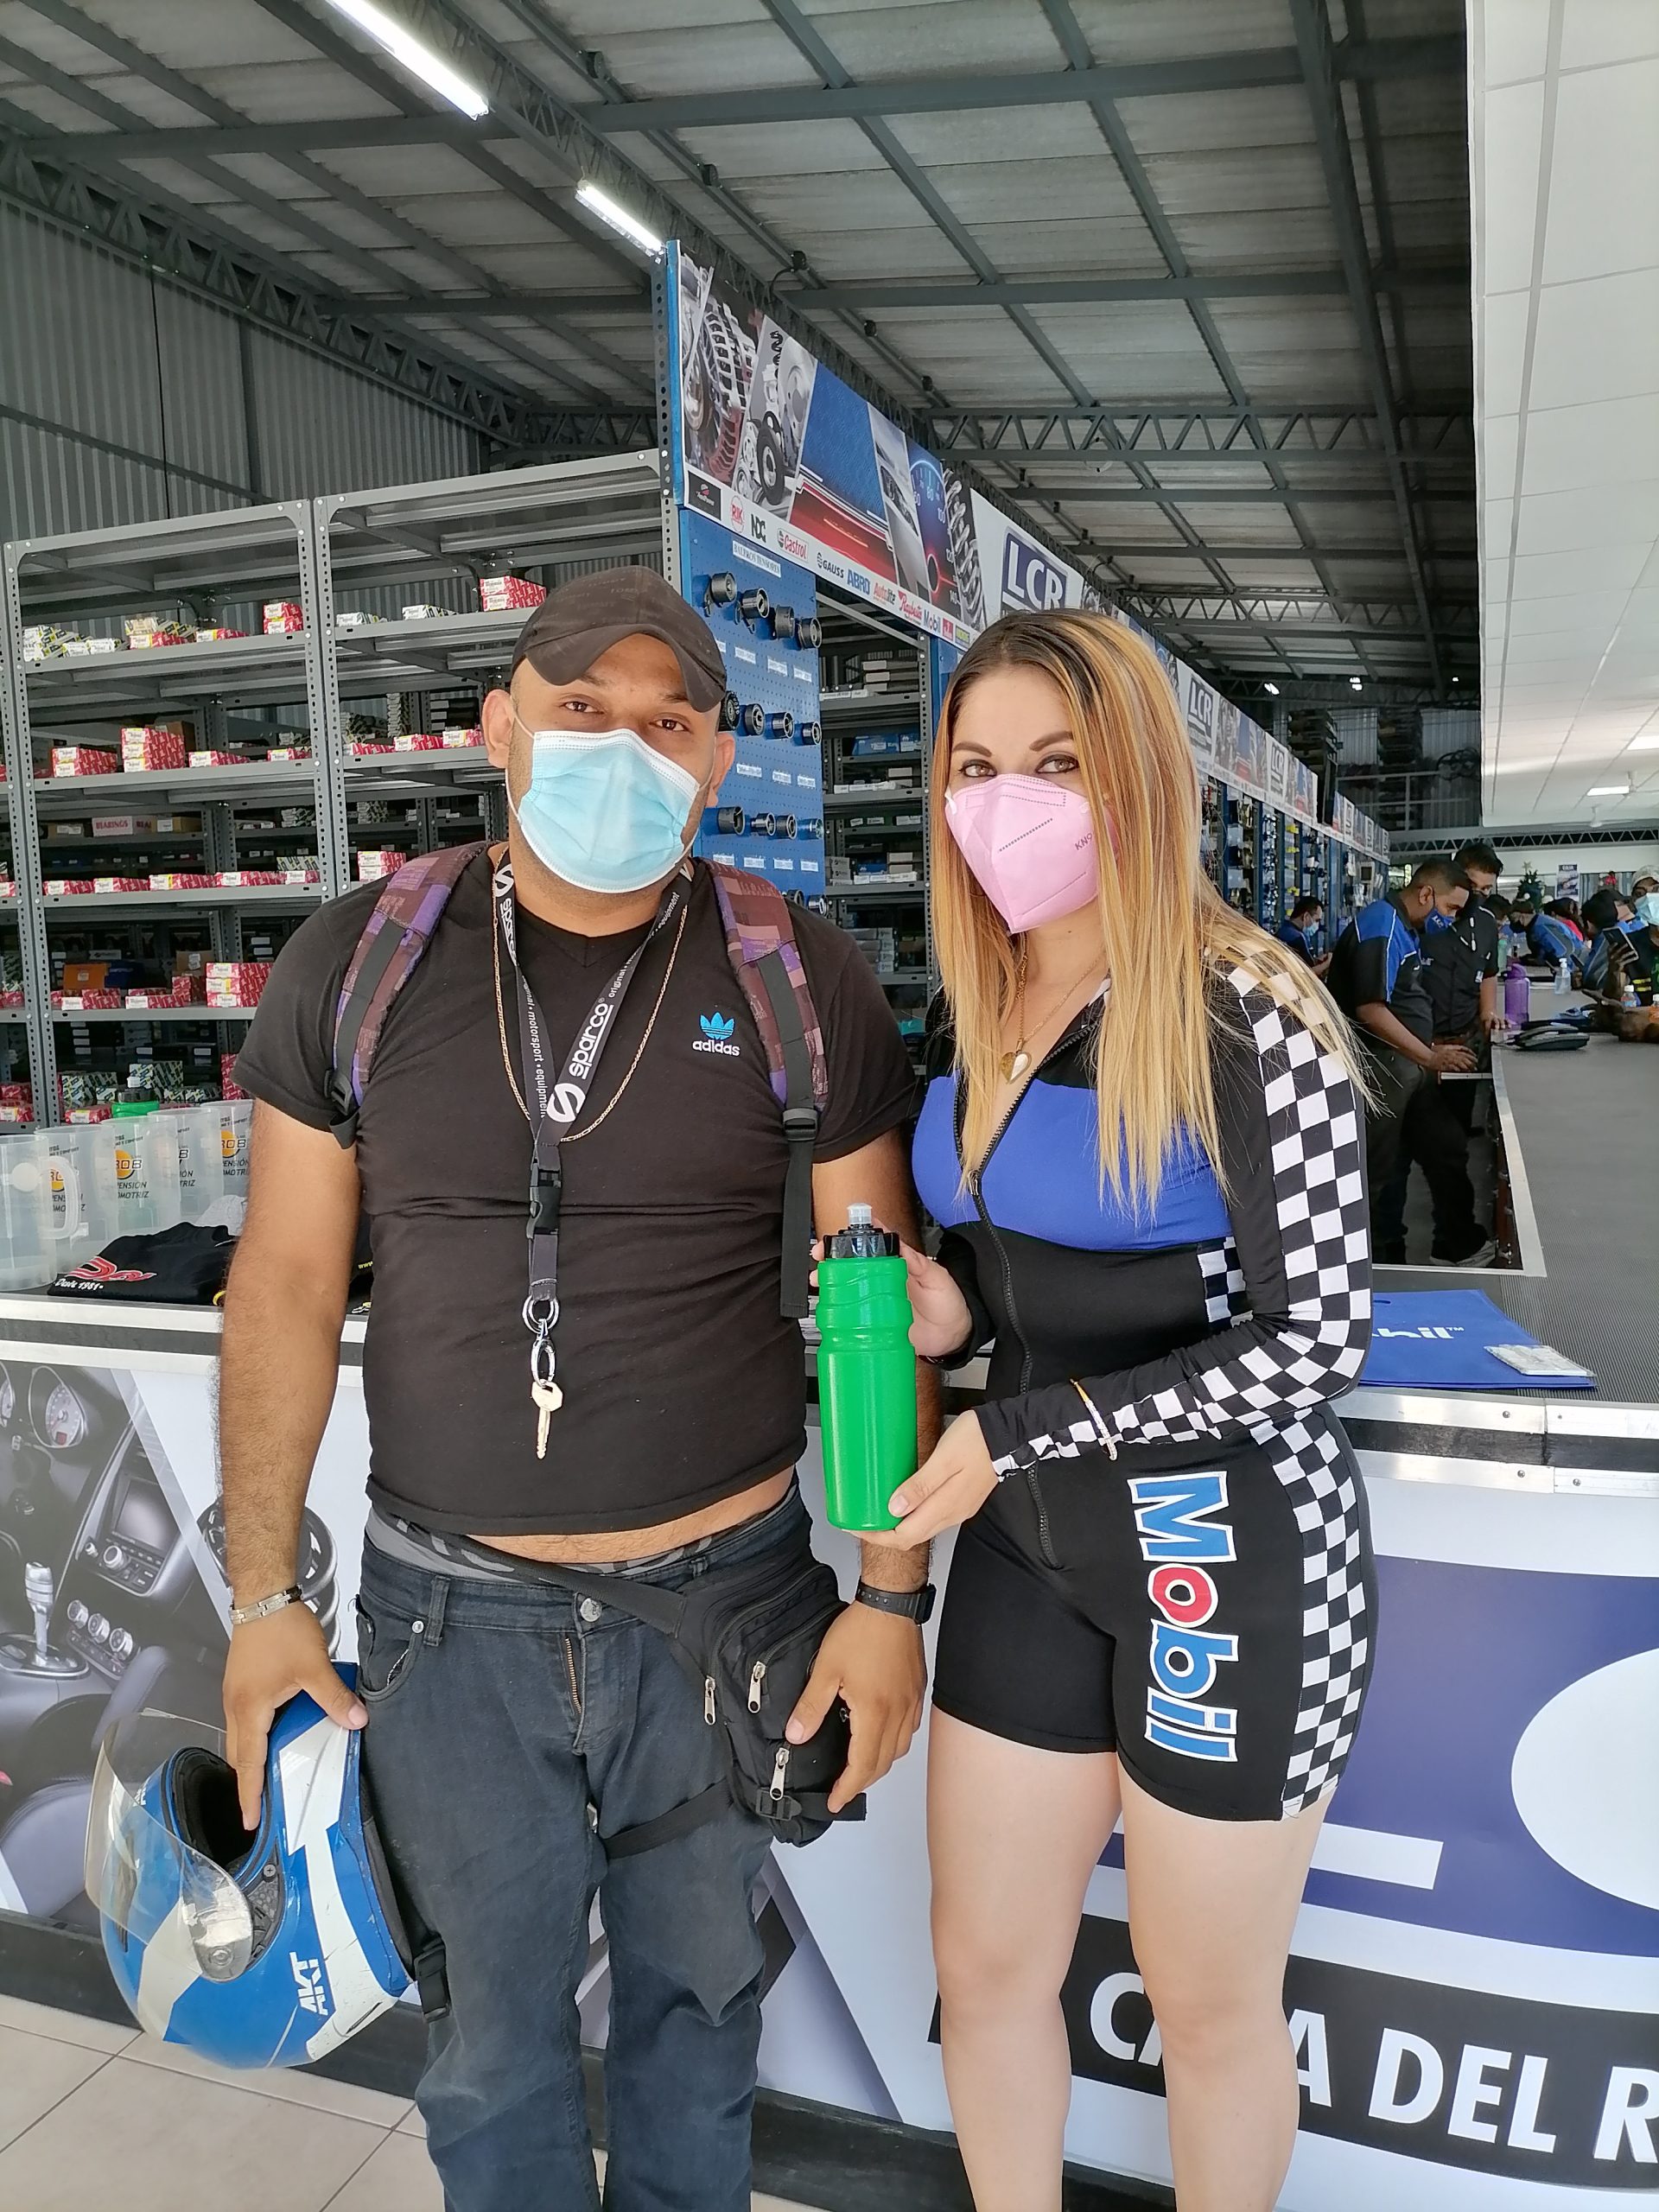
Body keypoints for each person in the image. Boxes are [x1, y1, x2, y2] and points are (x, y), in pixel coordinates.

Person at [218, 569, 936, 2212]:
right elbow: (283, 1285)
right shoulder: (361, 961)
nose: (625, 748)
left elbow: (878, 1300)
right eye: (581, 710)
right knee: (488, 2052)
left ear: (719, 759)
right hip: (445, 1625)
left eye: (669, 722)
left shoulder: (794, 975)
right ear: (501, 728)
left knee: (703, 2019)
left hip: (727, 1611)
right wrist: (262, 1597)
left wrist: (892, 1596)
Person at [864, 612, 1376, 2212]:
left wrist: (1016, 1428)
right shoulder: (977, 997)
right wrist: (957, 1317)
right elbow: (1020, 1267)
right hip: (1029, 1552)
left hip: (1228, 1556)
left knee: (1207, 2011)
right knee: (984, 1970)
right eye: (975, 767)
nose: (1006, 801)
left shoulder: (1249, 1008)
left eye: (1056, 763)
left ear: (1140, 779)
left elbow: (1319, 1343)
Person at [1325, 860, 1476, 1262]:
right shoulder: (1383, 925)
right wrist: (1430, 1055)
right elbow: (1371, 1009)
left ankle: (1458, 1244)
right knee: (1376, 1169)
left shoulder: (1405, 930)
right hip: (1382, 1066)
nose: (1451, 919)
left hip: (1410, 1065)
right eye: (1450, 908)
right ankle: (1360, 1260)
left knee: (1445, 1147)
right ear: (1426, 893)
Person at [1407, 842, 1504, 1268]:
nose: (1478, 897)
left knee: (1452, 1146)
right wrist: (1426, 1050)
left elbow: (1489, 973)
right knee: (1410, 1155)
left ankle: (1449, 1243)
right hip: (1416, 1049)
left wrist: (1488, 1014)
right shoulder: (1422, 922)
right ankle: (1389, 1252)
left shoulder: (1486, 925)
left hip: (1462, 1048)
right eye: (1473, 888)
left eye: (1486, 890)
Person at [1276, 893, 1331, 976]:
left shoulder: (1285, 930)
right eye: (1316, 920)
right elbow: (1306, 974)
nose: (1317, 925)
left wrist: (1316, 961)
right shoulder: (1296, 938)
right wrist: (1326, 964)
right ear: (1306, 916)